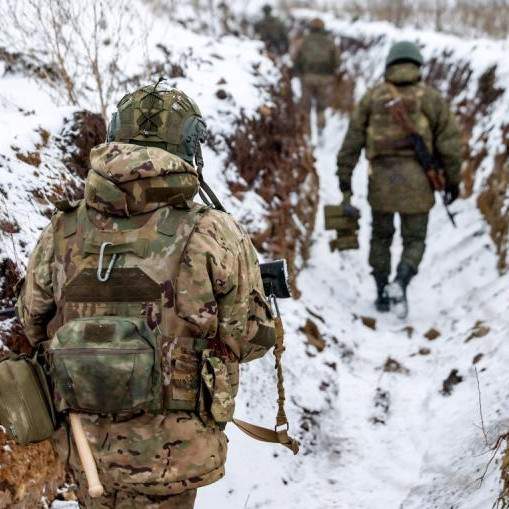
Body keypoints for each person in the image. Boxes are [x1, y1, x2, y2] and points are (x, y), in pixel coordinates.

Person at [15, 82, 276, 508]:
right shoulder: (212, 232)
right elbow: (246, 339)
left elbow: (32, 323)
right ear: (190, 143)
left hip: (86, 451)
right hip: (172, 456)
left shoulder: (60, 230)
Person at [335, 41, 461, 318]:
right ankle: (400, 282)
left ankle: (381, 292)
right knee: (414, 239)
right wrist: (453, 182)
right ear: (417, 65)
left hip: (381, 182)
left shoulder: (371, 97)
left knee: (381, 237)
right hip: (419, 183)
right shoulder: (431, 99)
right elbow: (450, 144)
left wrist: (345, 180)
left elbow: (351, 143)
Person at [293, 17, 340, 135]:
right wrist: (331, 73)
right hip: (325, 79)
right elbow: (337, 61)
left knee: (306, 109)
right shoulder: (330, 42)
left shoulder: (303, 41)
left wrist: (300, 73)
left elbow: (295, 58)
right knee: (321, 108)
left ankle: (307, 135)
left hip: (307, 79)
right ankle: (320, 130)